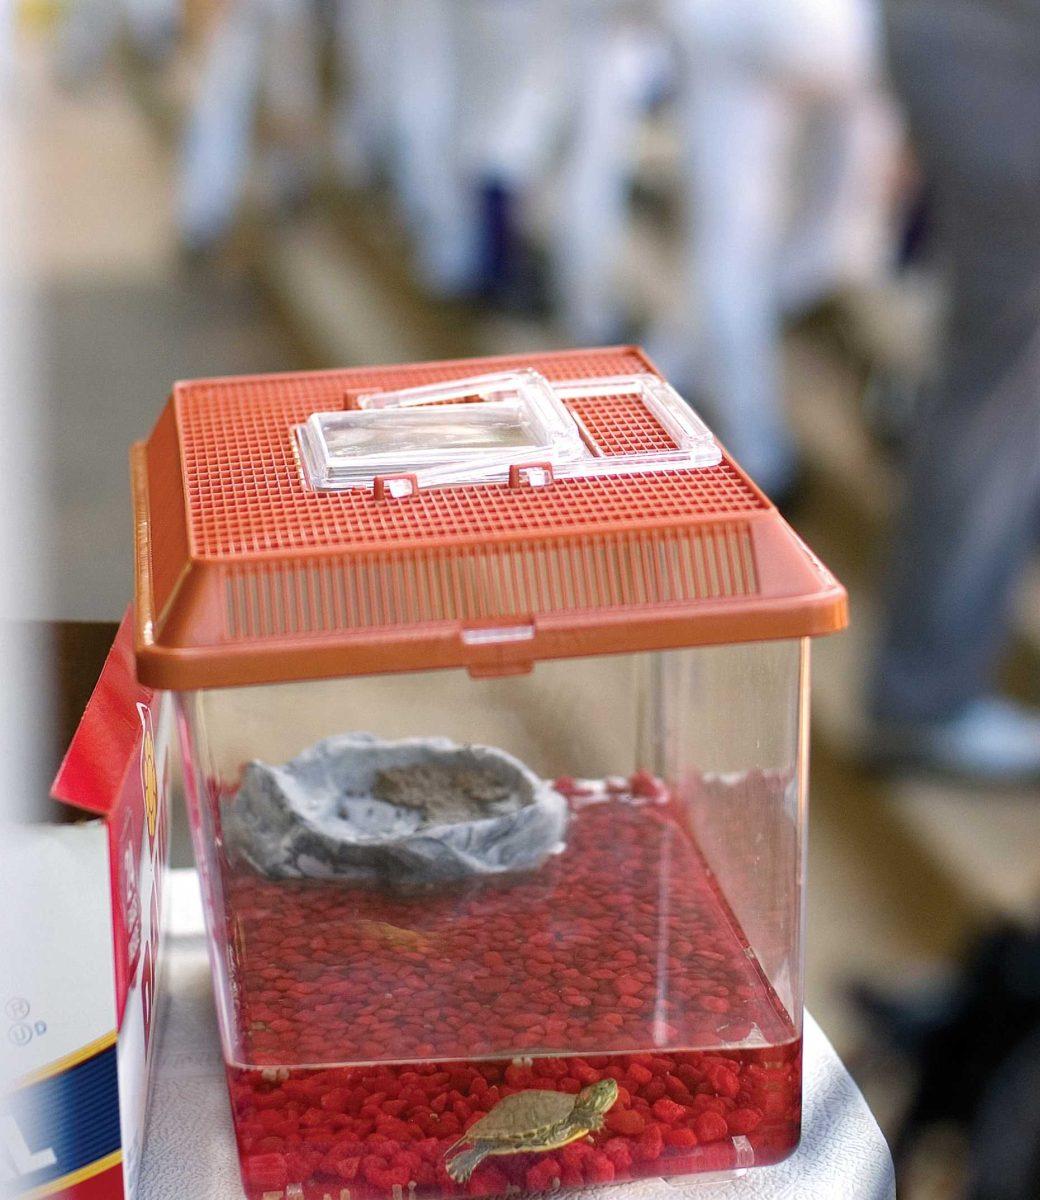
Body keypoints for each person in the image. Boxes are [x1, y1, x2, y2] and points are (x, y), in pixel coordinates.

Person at [868, 0, 1040, 780]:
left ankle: (926, 688)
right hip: (986, 43)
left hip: (961, 39)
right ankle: (925, 699)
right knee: (1000, 387)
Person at [650, 0, 899, 500]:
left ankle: (675, 368)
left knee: (750, 250)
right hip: (815, 34)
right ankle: (745, 438)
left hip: (796, 33)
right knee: (750, 248)